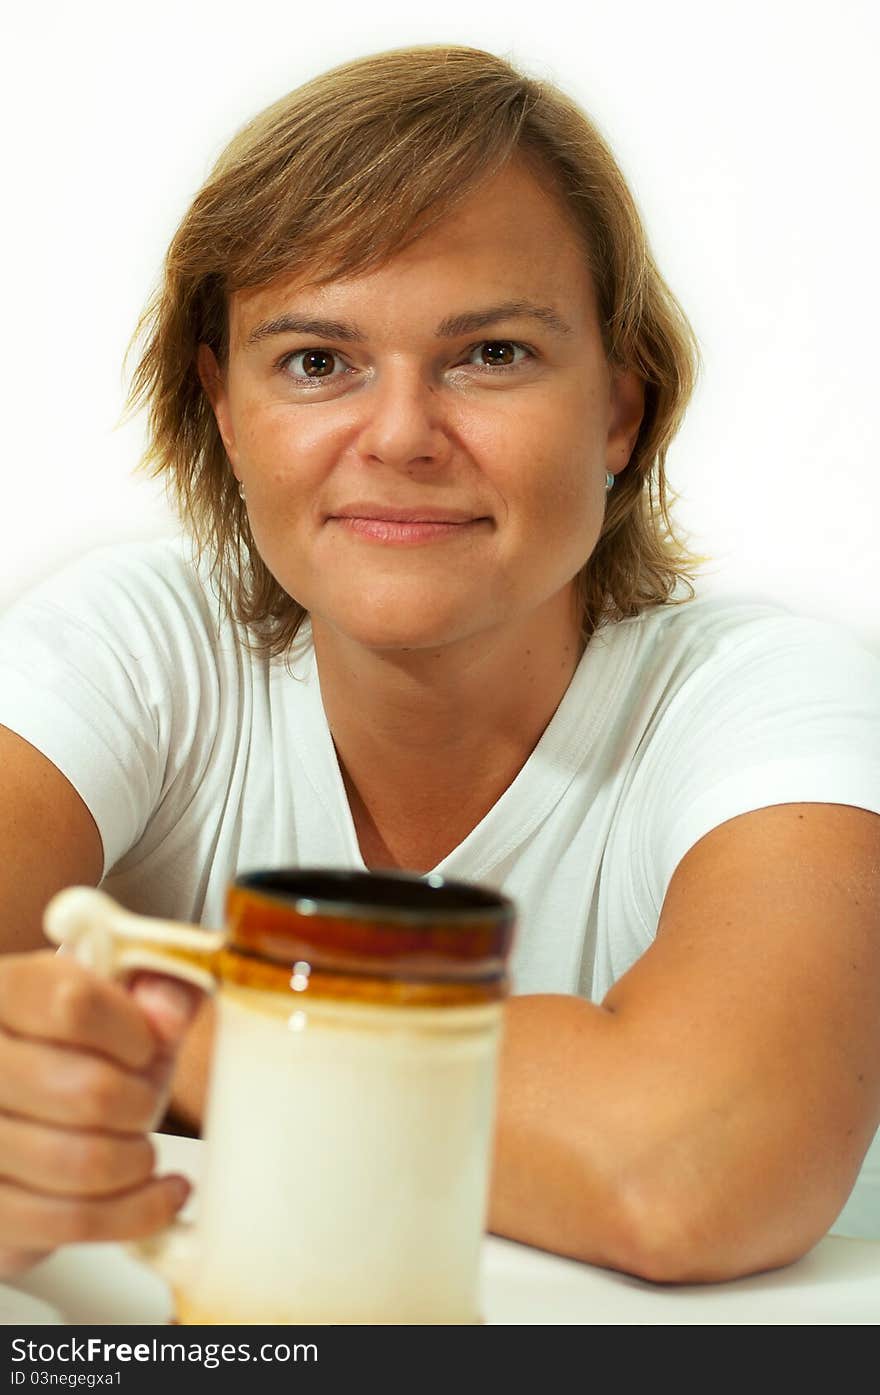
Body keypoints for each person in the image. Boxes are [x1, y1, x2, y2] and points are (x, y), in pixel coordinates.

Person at [0, 41, 878, 1288]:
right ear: (225, 410)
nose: (402, 435)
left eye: (491, 356)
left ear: (618, 409)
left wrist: (145, 1022)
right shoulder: (136, 643)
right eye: (317, 362)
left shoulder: (770, 696)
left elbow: (687, 1169)